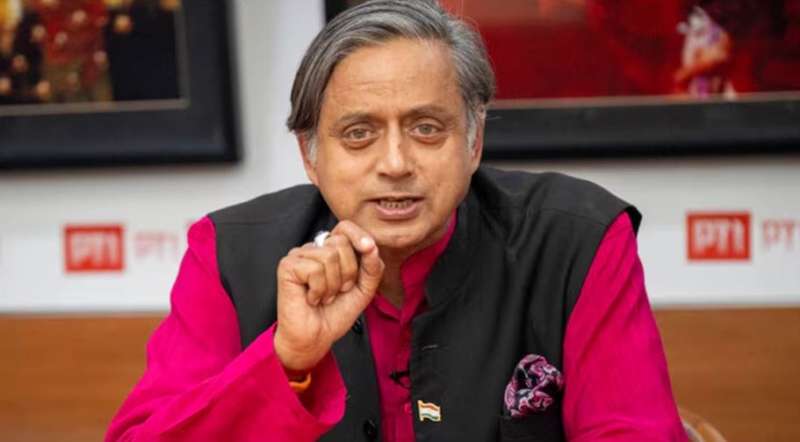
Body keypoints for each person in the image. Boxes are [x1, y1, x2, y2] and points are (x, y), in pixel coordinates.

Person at [106, 1, 687, 441]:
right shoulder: (230, 254)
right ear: (311, 155)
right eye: (358, 134)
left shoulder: (576, 240)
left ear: (474, 141)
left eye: (427, 128)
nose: (395, 163)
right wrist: (288, 359)